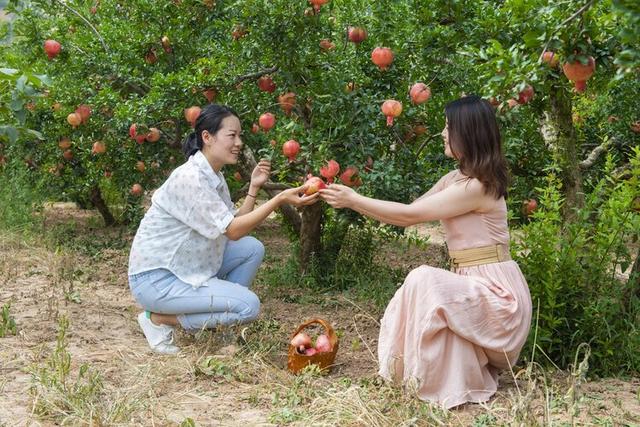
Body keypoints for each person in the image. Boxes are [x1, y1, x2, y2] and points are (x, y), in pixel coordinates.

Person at [319, 95, 532, 408]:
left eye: (449, 127)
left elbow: (408, 216)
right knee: (424, 285)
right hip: (474, 286)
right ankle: (413, 375)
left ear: (468, 132)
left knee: (424, 279)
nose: (443, 133)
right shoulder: (454, 180)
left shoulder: (479, 186)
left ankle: (419, 375)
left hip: (500, 298)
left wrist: (354, 200)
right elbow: (410, 211)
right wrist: (352, 199)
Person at [128, 104, 319, 354]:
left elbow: (233, 221)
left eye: (240, 135)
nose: (239, 142)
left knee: (251, 248)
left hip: (183, 269)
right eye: (232, 135)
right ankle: (158, 319)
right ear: (207, 137)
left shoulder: (213, 176)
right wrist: (279, 199)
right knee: (248, 306)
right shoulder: (191, 178)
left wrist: (254, 188)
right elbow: (233, 231)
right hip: (156, 279)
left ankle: (220, 327)